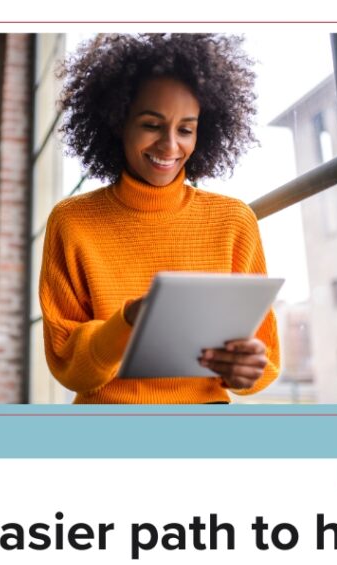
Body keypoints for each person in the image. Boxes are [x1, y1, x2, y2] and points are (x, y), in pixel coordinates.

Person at [39, 33, 279, 403]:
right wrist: (129, 321)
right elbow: (70, 367)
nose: (170, 146)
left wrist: (247, 371)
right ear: (119, 121)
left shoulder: (233, 220)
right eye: (152, 125)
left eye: (186, 129)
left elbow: (262, 357)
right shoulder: (72, 221)